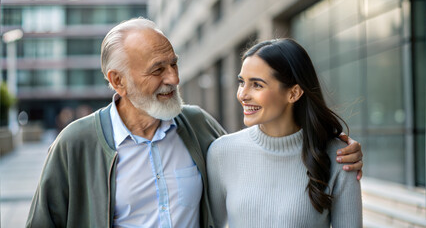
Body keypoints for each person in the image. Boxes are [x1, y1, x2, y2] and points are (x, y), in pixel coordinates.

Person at [26, 18, 362, 228]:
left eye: (174, 64)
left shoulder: (199, 128)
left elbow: (263, 161)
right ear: (118, 81)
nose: (173, 78)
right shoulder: (75, 143)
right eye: (158, 70)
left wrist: (333, 146)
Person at [207, 38, 363, 227]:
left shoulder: (340, 157)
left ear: (294, 93)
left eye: (257, 84)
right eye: (242, 82)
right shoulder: (221, 152)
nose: (242, 95)